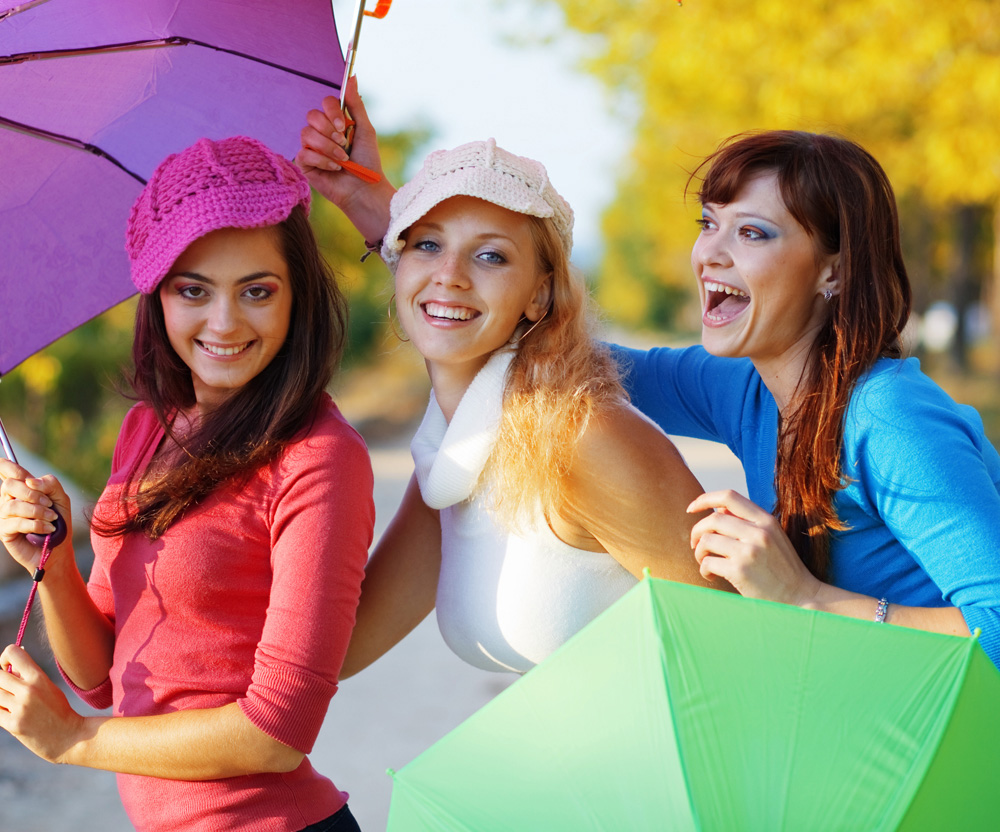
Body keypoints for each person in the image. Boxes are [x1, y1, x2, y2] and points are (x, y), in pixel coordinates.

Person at [298, 99, 1000, 672]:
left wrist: (808, 599)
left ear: (834, 273)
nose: (710, 253)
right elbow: (525, 332)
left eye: (753, 233)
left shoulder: (889, 418)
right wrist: (396, 221)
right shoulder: (749, 390)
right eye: (709, 223)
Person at [0, 136, 375, 831]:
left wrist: (72, 739)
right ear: (158, 297)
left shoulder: (319, 457)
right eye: (193, 291)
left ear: (299, 296)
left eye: (257, 291)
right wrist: (51, 568)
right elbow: (104, 677)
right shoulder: (147, 432)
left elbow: (277, 731)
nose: (224, 323)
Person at [298, 90, 725, 677]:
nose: (449, 276)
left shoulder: (581, 437)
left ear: (539, 295)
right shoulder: (455, 456)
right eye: (427, 244)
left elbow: (738, 639)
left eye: (491, 257)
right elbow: (336, 652)